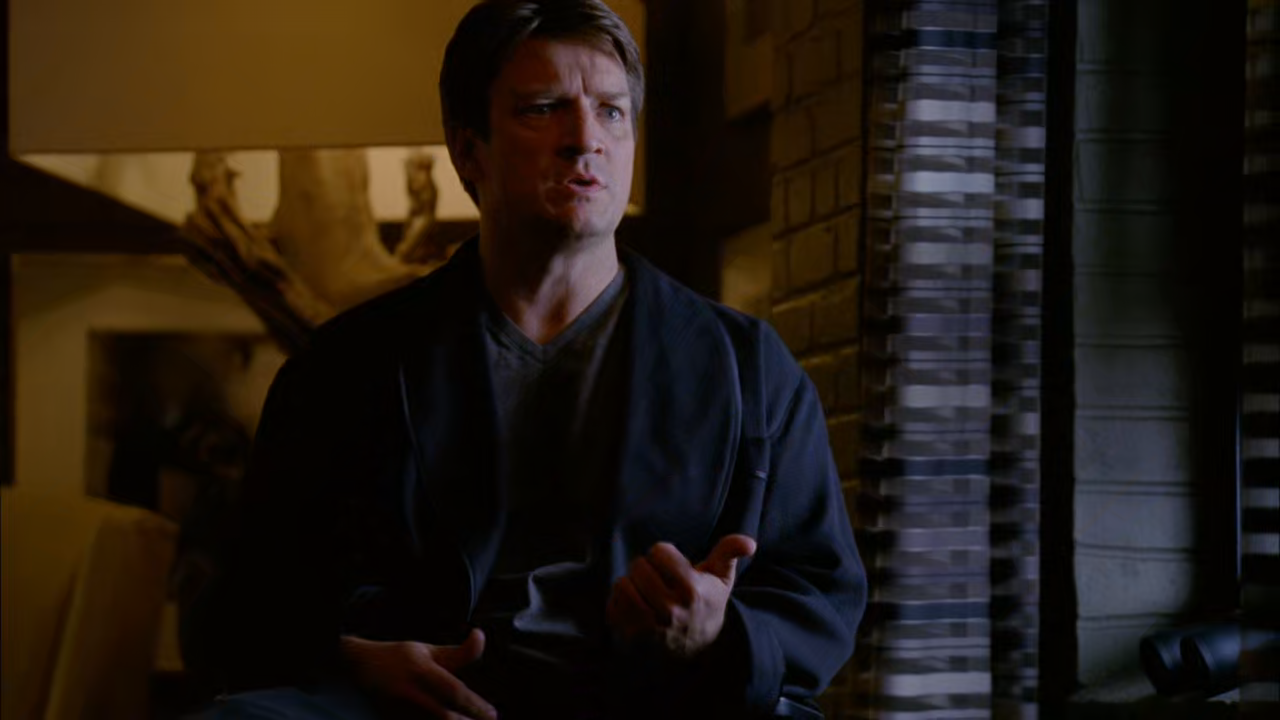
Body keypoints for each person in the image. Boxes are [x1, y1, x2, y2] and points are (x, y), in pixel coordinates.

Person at [182, 1, 867, 718]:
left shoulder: (747, 367)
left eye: (611, 112)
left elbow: (820, 596)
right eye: (543, 110)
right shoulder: (344, 367)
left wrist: (717, 633)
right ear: (468, 150)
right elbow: (242, 606)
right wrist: (351, 657)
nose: (585, 140)